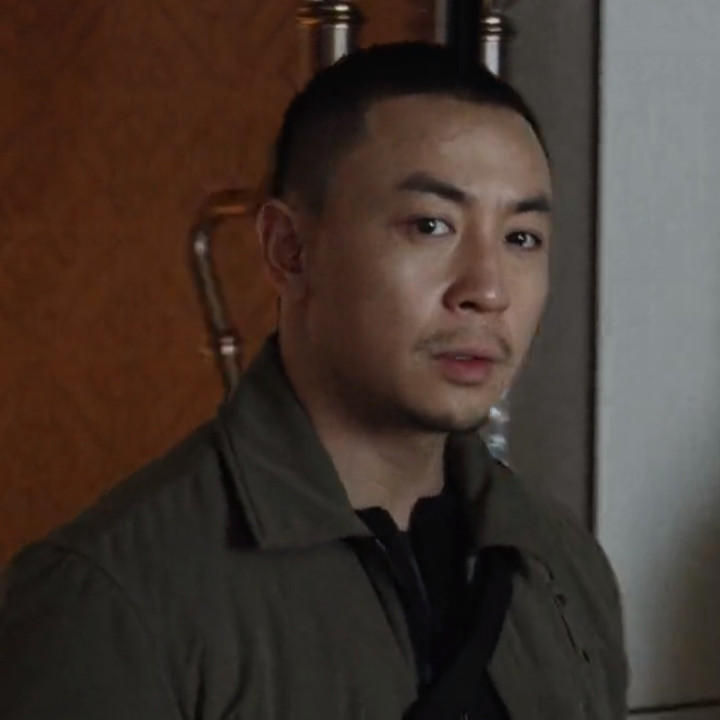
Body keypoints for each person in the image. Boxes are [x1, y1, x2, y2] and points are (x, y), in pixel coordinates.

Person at [0, 42, 627, 719]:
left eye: (521, 238)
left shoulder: (560, 565)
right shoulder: (111, 597)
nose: (488, 290)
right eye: (431, 225)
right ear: (289, 250)